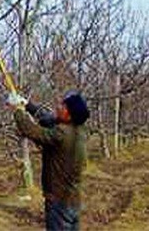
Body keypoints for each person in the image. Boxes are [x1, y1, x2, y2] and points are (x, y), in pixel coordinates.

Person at [7, 90, 90, 231]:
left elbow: (32, 131)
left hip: (59, 200)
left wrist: (17, 110)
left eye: (63, 106)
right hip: (72, 199)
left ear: (70, 115)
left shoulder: (62, 134)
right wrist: (27, 105)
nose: (58, 107)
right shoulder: (79, 129)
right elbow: (49, 118)